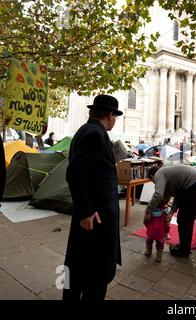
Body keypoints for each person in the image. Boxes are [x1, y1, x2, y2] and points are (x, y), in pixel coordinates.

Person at [63, 94, 123, 300]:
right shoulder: (94, 133)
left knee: (79, 269)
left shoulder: (90, 131)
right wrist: (87, 211)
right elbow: (75, 173)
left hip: (94, 215)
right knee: (95, 275)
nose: (115, 120)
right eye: (115, 116)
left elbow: (92, 170)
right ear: (110, 114)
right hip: (96, 218)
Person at [144, 164, 196, 257]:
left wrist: (148, 211)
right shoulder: (170, 175)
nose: (156, 184)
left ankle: (184, 250)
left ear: (151, 176)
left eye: (153, 182)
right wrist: (171, 213)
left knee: (184, 220)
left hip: (194, 186)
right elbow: (177, 197)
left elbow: (158, 194)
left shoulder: (159, 173)